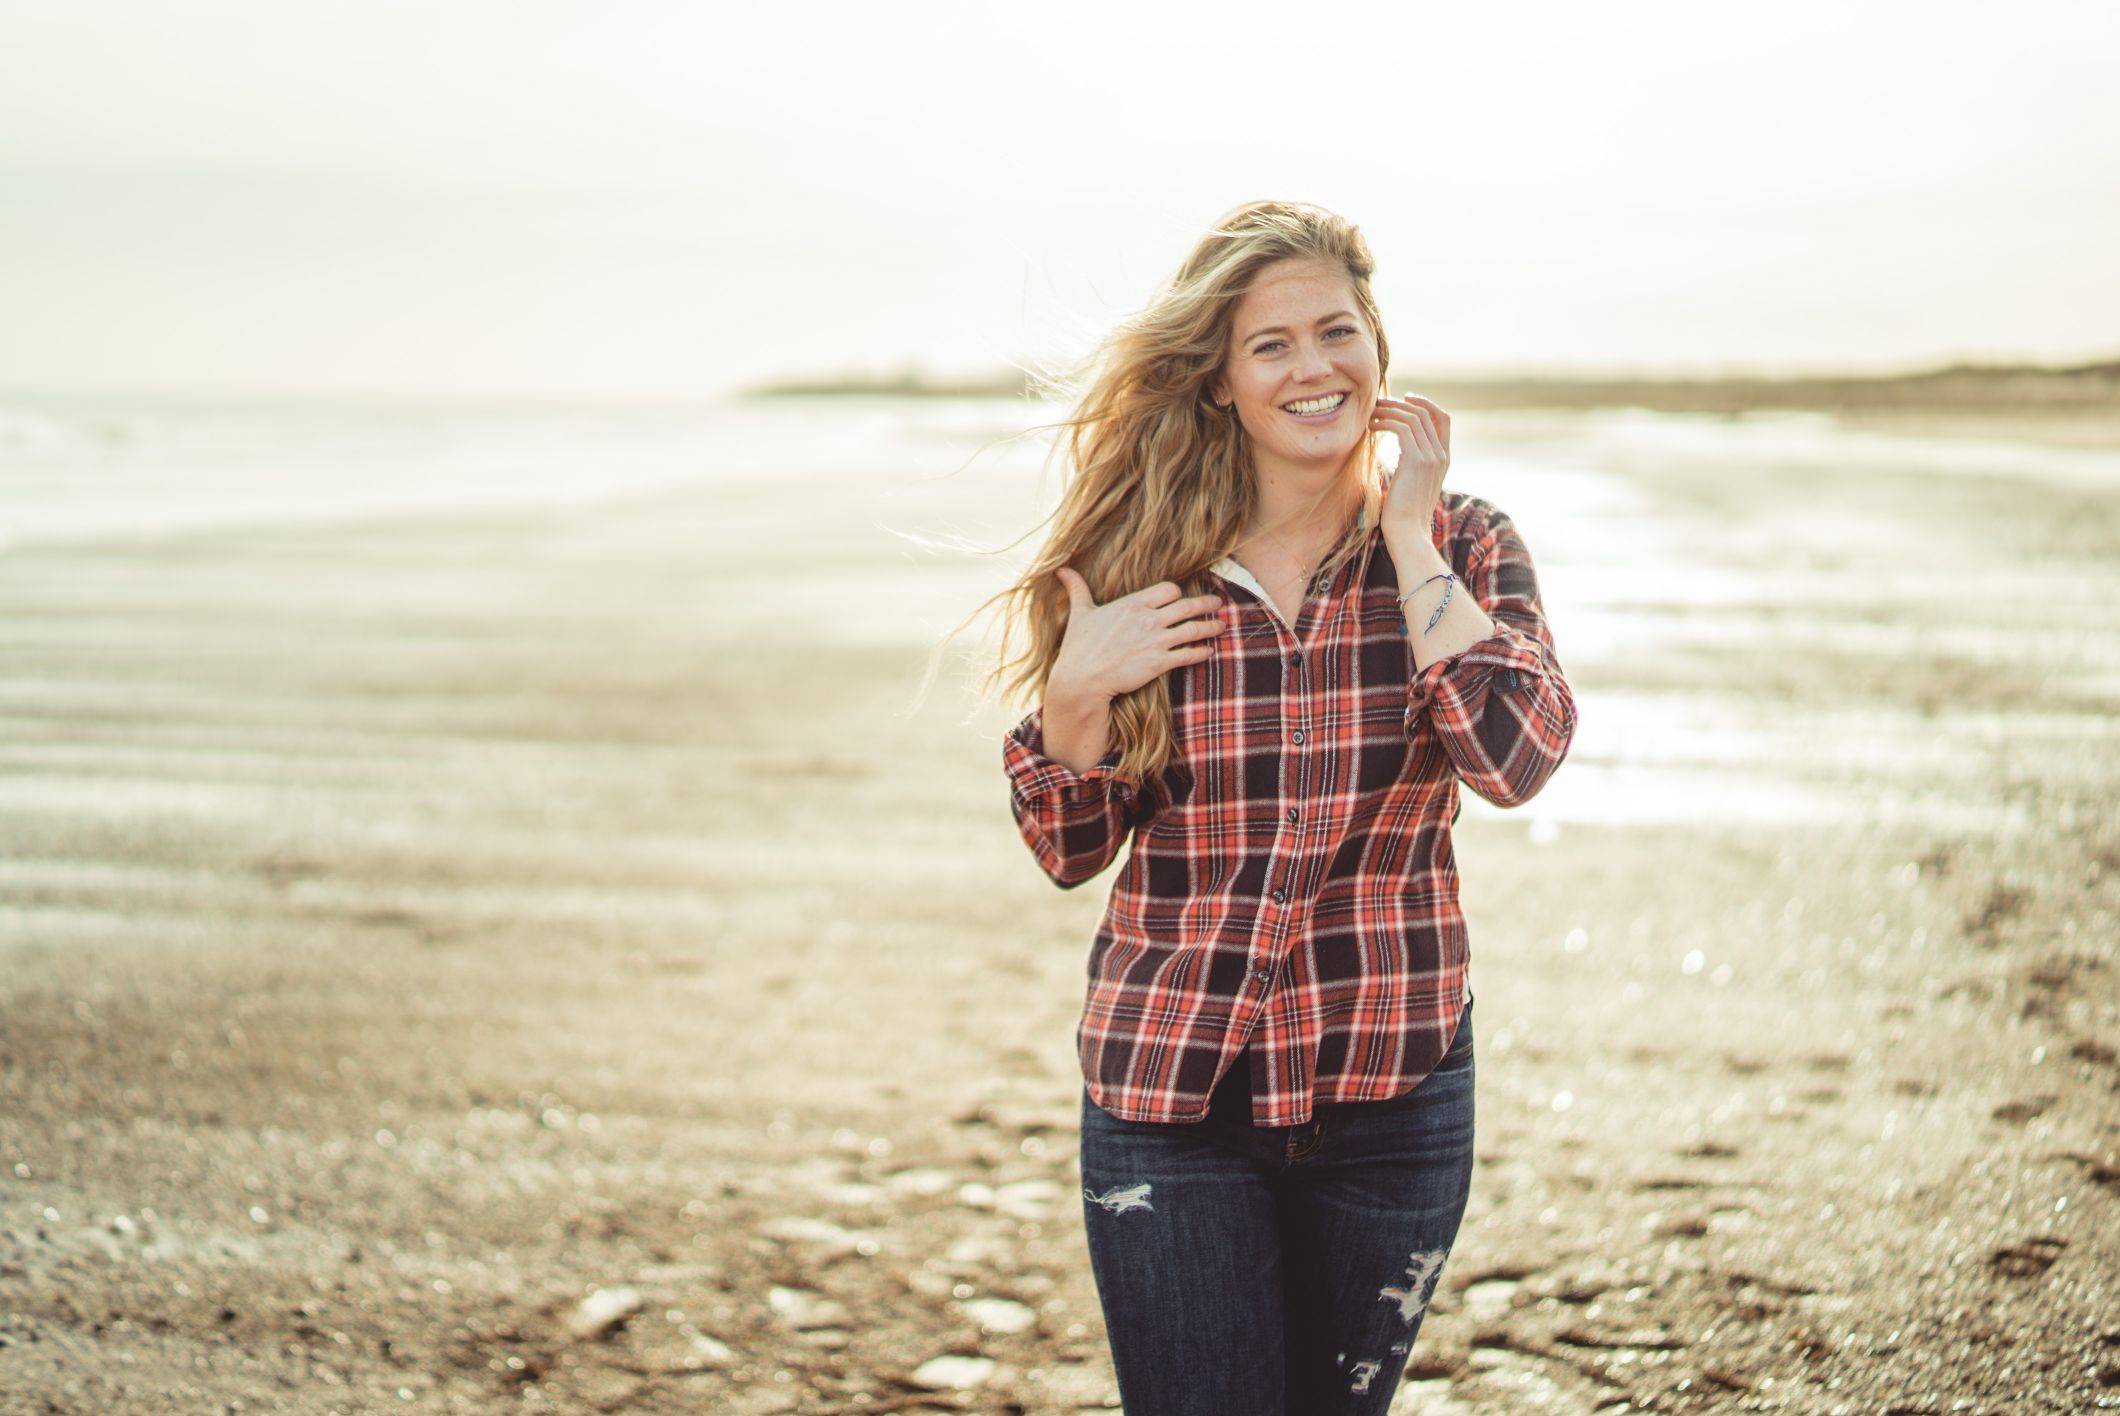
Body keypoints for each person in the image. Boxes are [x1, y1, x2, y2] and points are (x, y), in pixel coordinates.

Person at [989, 200, 1578, 1415]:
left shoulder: (1466, 546)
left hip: (1392, 1093)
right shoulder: (1142, 558)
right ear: (1218, 380)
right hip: (1170, 1099)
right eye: (1270, 345)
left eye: (1335, 332)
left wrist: (1406, 536)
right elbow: (1067, 847)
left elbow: (1511, 759)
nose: (1313, 369)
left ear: (1377, 347)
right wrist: (1075, 693)